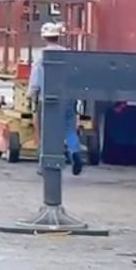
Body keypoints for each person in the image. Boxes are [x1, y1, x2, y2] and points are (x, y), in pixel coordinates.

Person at [26, 20, 83, 175]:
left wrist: (30, 95)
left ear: (45, 38)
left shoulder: (41, 58)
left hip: (48, 100)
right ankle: (75, 151)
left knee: (46, 133)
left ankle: (45, 164)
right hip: (68, 99)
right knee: (69, 130)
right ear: (58, 37)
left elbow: (35, 83)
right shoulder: (68, 56)